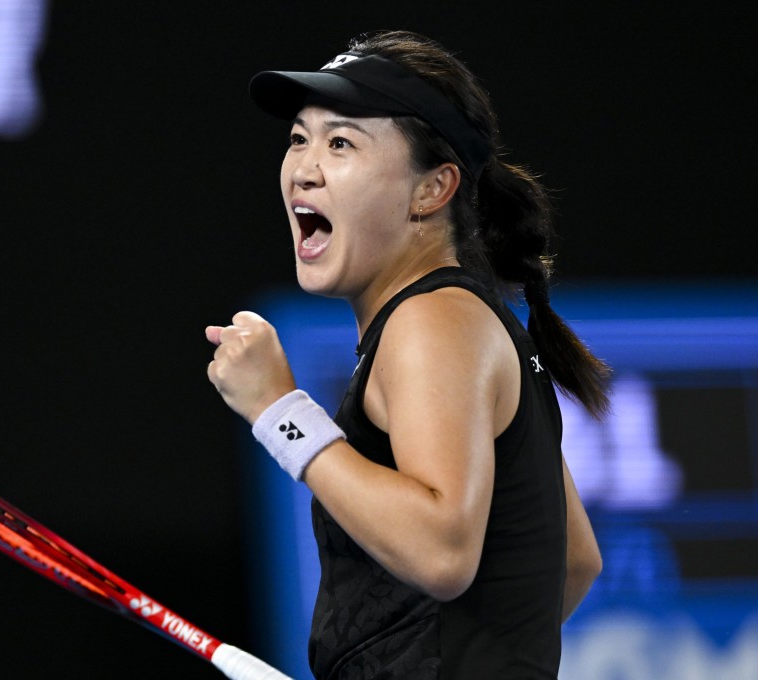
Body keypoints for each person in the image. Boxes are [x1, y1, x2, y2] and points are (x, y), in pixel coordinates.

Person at [205, 29, 607, 679]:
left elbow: (442, 554)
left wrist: (278, 410)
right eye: (299, 139)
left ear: (432, 189)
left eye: (341, 143)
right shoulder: (466, 319)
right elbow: (572, 559)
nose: (305, 166)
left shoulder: (431, 321)